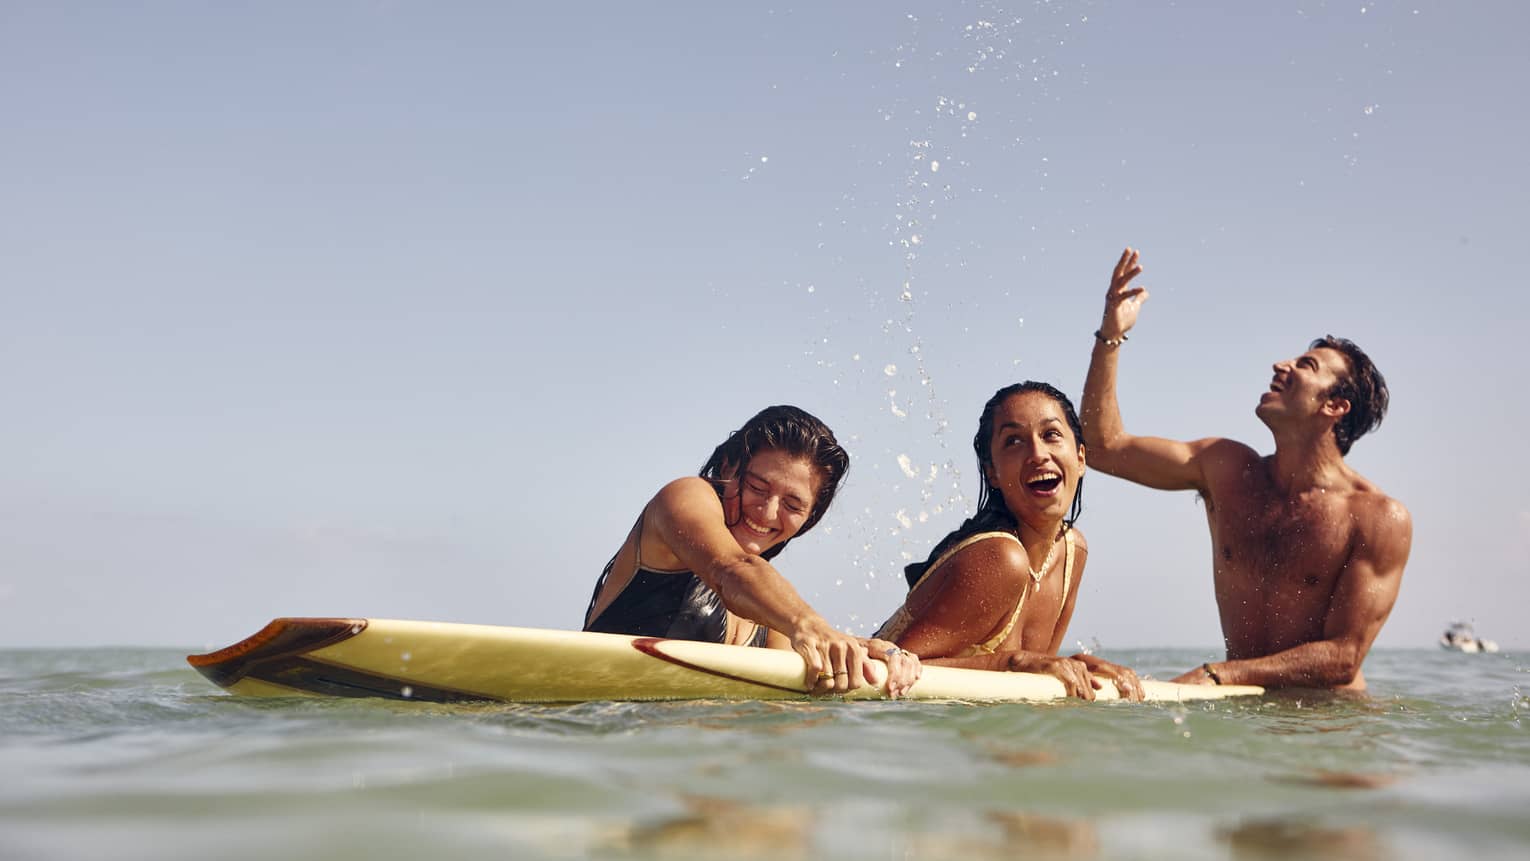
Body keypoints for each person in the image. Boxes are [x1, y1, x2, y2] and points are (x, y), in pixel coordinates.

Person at [1081, 248, 1412, 691]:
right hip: (1244, 711)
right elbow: (1103, 448)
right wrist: (1110, 335)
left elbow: (1343, 656)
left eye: (1306, 366)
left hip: (1331, 728)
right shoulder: (1226, 469)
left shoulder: (1377, 517)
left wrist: (1216, 674)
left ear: (1335, 406)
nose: (1282, 365)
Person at [584, 405, 922, 698]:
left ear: (810, 516)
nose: (768, 512)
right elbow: (731, 570)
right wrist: (808, 624)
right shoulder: (684, 497)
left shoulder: (772, 611)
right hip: (594, 733)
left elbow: (791, 691)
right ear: (729, 467)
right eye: (758, 487)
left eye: (792, 504)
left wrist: (875, 653)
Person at [874, 382, 1144, 701]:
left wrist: (1078, 666)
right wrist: (1011, 662)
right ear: (993, 473)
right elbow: (895, 671)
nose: (1038, 454)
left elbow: (1032, 681)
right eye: (1014, 441)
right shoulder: (999, 557)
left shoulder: (1072, 552)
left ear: (1081, 458)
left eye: (1051, 435)